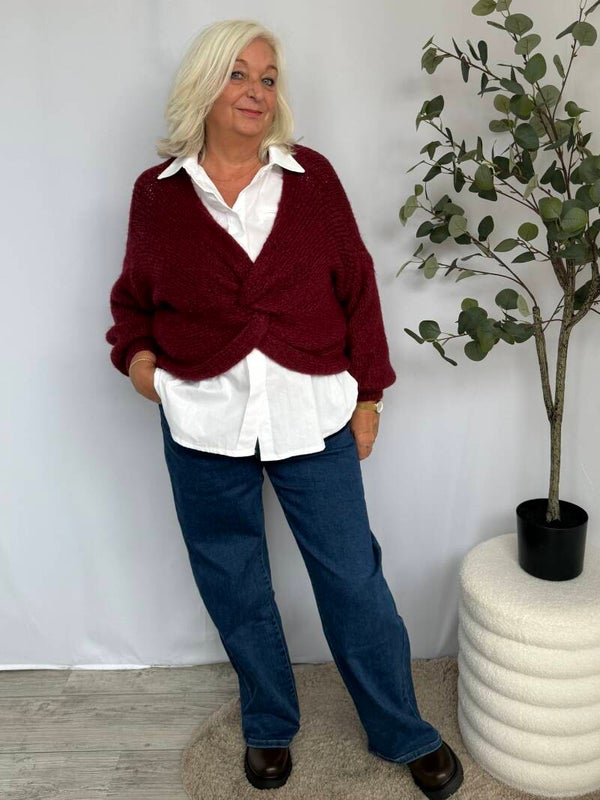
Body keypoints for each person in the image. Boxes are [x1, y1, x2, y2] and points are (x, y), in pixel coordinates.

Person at [105, 19, 463, 799]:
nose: (257, 91)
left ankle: (402, 728)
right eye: (239, 74)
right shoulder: (157, 195)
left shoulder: (311, 179)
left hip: (313, 413)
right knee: (233, 583)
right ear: (204, 85)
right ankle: (269, 723)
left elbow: (359, 289)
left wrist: (370, 395)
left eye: (268, 78)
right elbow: (133, 300)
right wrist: (141, 365)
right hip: (202, 419)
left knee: (352, 581)